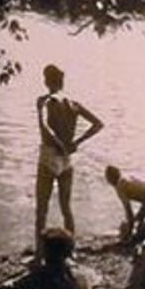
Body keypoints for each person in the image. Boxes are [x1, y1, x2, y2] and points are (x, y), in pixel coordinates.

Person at [33, 64, 104, 256]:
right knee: (66, 207)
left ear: (46, 81)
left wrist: (39, 113)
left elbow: (45, 131)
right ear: (62, 81)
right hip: (67, 160)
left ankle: (40, 255)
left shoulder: (46, 102)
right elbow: (98, 124)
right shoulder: (74, 104)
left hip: (49, 156)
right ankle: (70, 252)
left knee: (42, 208)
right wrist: (76, 142)